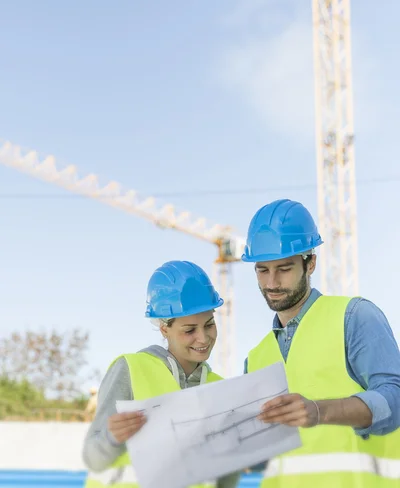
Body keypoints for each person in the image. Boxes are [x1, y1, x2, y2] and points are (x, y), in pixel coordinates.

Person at [242, 199, 400, 487]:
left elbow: (395, 398)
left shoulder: (354, 316)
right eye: (262, 270)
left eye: (284, 268)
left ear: (310, 263)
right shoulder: (255, 358)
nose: (272, 282)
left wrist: (319, 411)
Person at [82, 260, 240, 488]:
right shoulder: (131, 370)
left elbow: (222, 482)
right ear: (165, 328)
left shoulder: (220, 389)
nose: (203, 338)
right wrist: (111, 438)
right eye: (189, 330)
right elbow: (93, 458)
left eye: (209, 324)